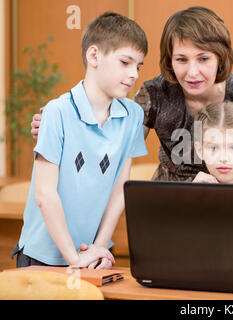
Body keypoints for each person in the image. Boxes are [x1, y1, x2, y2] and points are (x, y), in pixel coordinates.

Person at [31, 6, 233, 183]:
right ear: (170, 61)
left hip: (232, 200)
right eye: (181, 59)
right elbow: (113, 141)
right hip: (169, 202)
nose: (192, 72)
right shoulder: (153, 94)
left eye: (203, 59)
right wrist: (62, 129)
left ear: (220, 58)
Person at [12, 12, 148, 269]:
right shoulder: (57, 112)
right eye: (125, 62)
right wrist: (73, 259)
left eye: (138, 66)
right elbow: (44, 194)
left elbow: (121, 188)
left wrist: (98, 247)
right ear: (94, 55)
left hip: (94, 257)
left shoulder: (133, 115)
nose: (134, 75)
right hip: (42, 257)